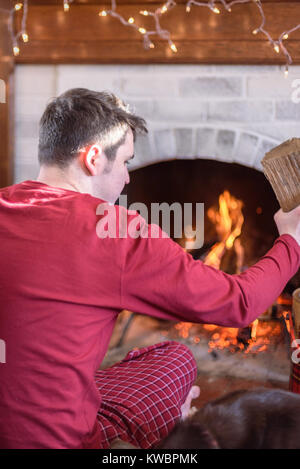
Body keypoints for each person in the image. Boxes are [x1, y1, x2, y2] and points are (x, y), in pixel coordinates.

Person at [0, 88, 300, 449]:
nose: (127, 177)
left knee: (164, 357)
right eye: (126, 161)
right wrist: (292, 240)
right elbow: (239, 303)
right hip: (61, 441)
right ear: (93, 158)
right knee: (176, 361)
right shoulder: (113, 230)